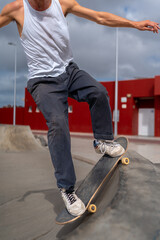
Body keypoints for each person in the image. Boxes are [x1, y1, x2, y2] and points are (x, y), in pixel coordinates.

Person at [0, 0, 159, 217]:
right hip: (42, 81)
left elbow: (100, 17)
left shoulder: (62, 4)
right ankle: (67, 189)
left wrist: (134, 24)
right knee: (58, 123)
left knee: (99, 92)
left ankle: (102, 140)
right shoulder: (16, 9)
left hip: (69, 72)